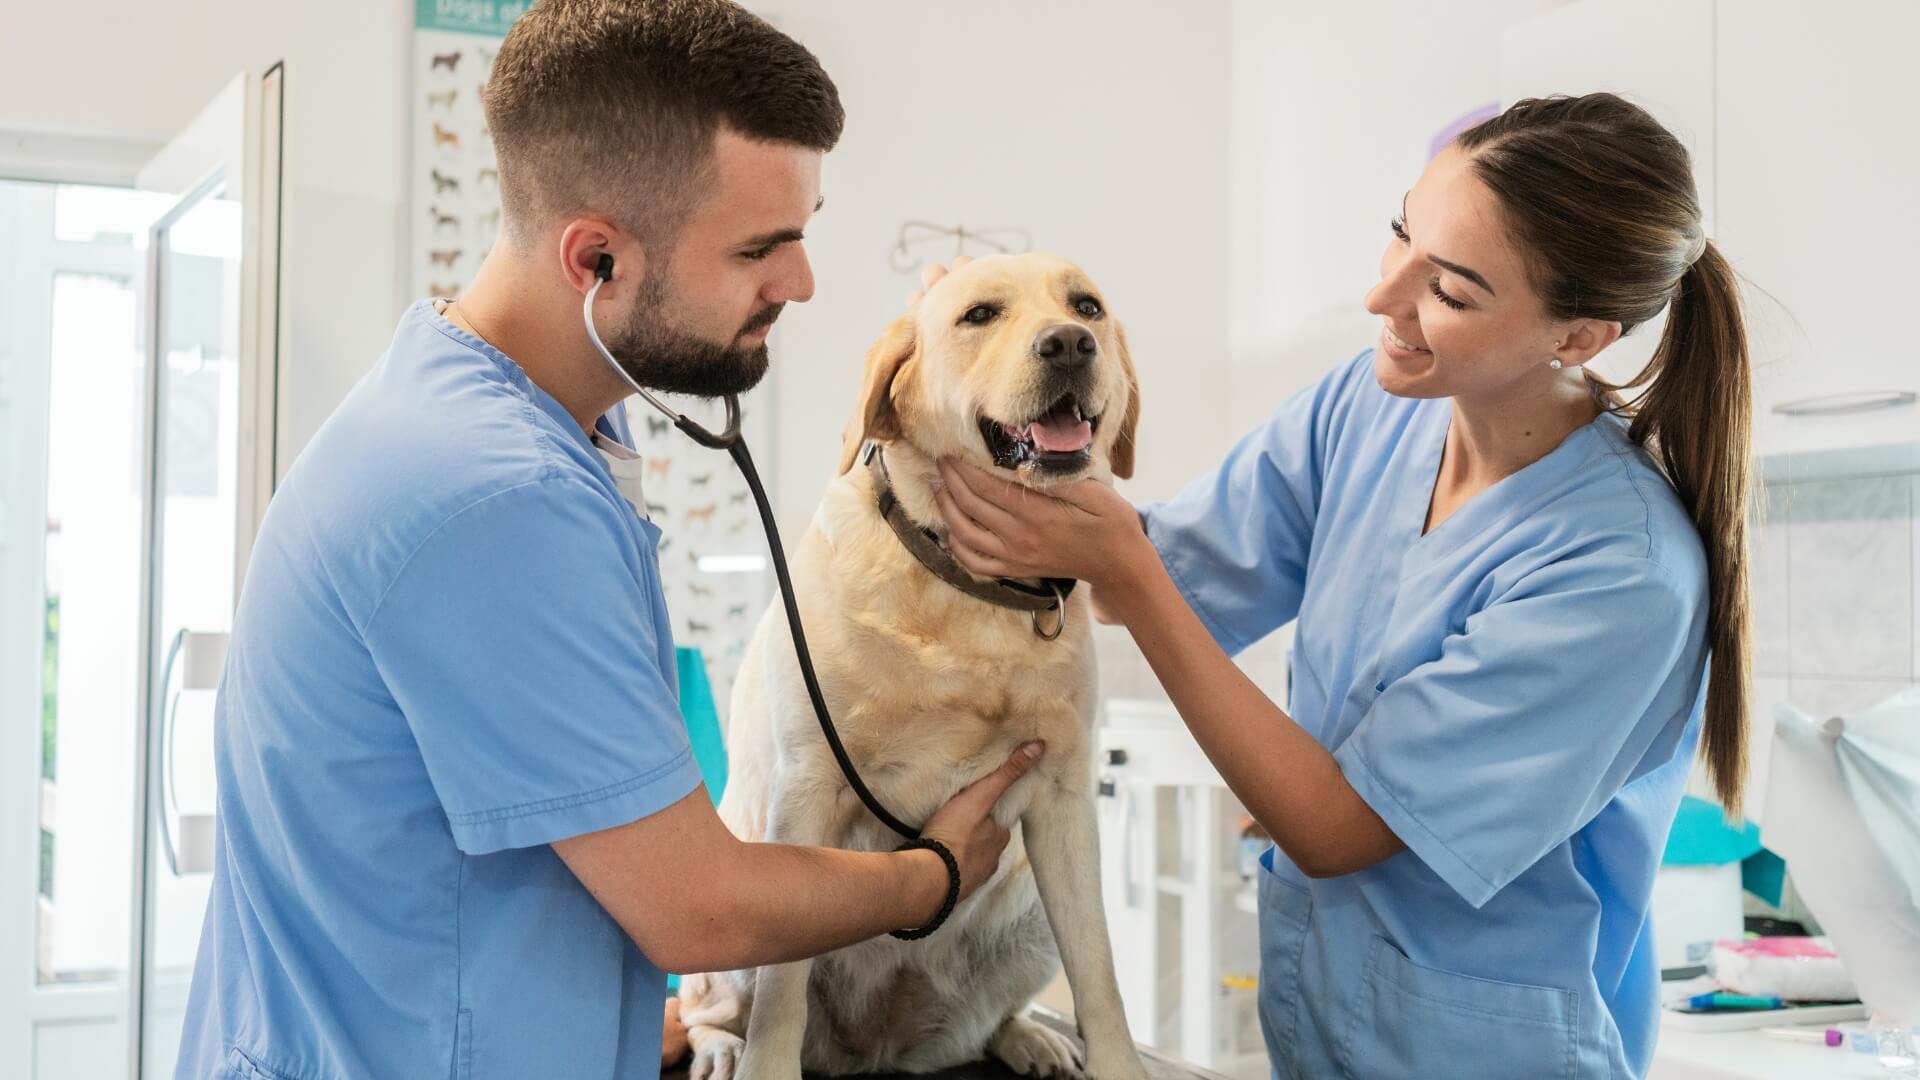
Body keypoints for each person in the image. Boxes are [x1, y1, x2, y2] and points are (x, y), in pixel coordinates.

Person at [174, 2, 1043, 1076]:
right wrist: (938, 875)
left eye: (804, 232)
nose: (801, 283)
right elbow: (698, 908)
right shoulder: (492, 498)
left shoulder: (524, 407)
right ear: (597, 262)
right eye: (761, 248)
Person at [933, 93, 1751, 1079]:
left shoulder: (1619, 570)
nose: (1383, 299)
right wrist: (973, 383)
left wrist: (1124, 566)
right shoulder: (1369, 408)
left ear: (1576, 338)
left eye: (1447, 289)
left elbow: (1331, 828)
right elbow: (1160, 569)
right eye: (1400, 232)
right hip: (1323, 1030)